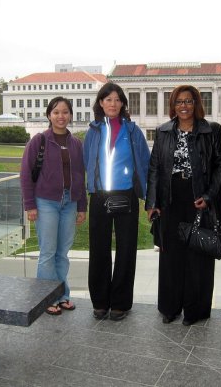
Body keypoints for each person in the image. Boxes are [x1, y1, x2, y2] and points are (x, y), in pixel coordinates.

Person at [146, 85, 221, 326]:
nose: (183, 106)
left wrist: (209, 195)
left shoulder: (211, 130)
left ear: (196, 104)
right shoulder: (163, 131)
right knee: (171, 254)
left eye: (188, 101)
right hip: (170, 198)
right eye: (178, 102)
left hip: (199, 198)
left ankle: (195, 310)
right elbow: (154, 168)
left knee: (198, 253)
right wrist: (152, 202)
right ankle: (170, 307)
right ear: (172, 106)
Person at [83, 82, 150, 321]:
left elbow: (145, 163)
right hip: (100, 197)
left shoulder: (132, 131)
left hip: (126, 196)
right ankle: (100, 301)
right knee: (98, 250)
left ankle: (120, 303)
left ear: (122, 104)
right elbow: (86, 161)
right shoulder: (93, 131)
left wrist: (149, 199)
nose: (113, 104)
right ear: (101, 103)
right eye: (108, 99)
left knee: (126, 249)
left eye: (117, 100)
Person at [20, 97, 87, 315]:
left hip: (70, 202)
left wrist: (82, 206)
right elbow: (25, 175)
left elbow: (80, 176)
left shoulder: (76, 144)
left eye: (65, 112)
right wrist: (30, 205)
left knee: (62, 253)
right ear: (49, 115)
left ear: (71, 115)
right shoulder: (39, 141)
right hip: (46, 202)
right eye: (56, 112)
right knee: (48, 252)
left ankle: (62, 295)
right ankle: (45, 298)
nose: (61, 116)